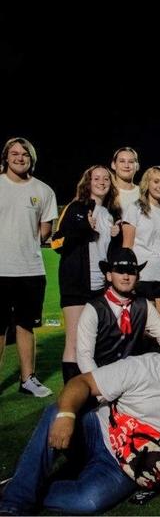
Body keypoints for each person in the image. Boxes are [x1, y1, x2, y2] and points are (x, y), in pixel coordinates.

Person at [0, 330, 160, 515]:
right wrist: (67, 415)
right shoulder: (143, 366)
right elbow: (83, 382)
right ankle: (13, 503)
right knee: (57, 412)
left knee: (88, 502)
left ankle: (22, 483)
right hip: (97, 431)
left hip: (126, 463)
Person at [51, 165, 122, 382]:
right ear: (88, 183)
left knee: (95, 342)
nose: (101, 182)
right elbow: (56, 243)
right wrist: (82, 228)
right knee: (74, 342)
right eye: (96, 178)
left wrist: (116, 236)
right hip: (76, 284)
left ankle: (90, 390)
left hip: (100, 286)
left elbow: (107, 252)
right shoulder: (76, 207)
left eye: (106, 179)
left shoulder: (111, 214)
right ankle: (70, 394)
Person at [0, 137, 59, 398]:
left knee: (26, 325)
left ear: (31, 159)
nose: (19, 158)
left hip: (31, 269)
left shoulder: (43, 191)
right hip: (0, 270)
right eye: (14, 153)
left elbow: (44, 231)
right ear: (6, 156)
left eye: (25, 154)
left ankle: (28, 379)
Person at [76, 248, 160, 374]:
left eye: (131, 272)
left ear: (137, 277)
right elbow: (84, 356)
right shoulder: (93, 309)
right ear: (109, 276)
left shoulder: (143, 305)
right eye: (120, 271)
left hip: (134, 377)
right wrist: (100, 384)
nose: (126, 277)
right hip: (102, 376)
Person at [121, 166, 160, 319]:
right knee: (143, 325)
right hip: (142, 276)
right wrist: (127, 275)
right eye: (156, 181)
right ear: (147, 183)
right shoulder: (134, 208)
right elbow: (127, 246)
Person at [110, 147, 140, 212]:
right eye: (122, 161)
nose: (126, 166)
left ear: (137, 166)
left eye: (131, 162)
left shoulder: (144, 193)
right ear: (113, 165)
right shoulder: (107, 192)